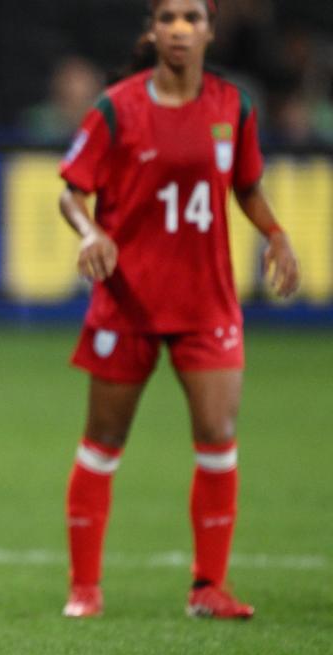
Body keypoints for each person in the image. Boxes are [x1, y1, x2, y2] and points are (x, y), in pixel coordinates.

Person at [56, 0, 300, 620]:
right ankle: (85, 588)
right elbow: (70, 192)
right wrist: (88, 232)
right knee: (103, 441)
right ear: (152, 31)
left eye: (193, 17)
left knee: (218, 438)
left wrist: (275, 233)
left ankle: (207, 588)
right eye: (168, 17)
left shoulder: (232, 106)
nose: (180, 29)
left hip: (205, 300)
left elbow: (245, 184)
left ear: (211, 30)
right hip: (128, 300)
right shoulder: (117, 107)